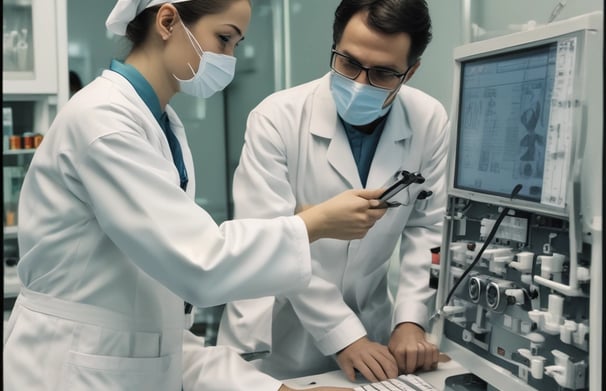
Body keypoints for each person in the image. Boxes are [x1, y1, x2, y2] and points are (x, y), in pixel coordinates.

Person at [2, 1, 387, 390]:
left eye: (236, 44)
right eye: (224, 39)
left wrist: (278, 389)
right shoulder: (104, 123)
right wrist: (312, 225)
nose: (230, 59)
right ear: (167, 21)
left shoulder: (160, 123)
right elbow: (202, 264)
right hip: (64, 370)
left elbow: (167, 327)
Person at [217, 0, 449, 383]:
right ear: (335, 45)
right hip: (276, 339)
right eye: (348, 63)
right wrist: (343, 336)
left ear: (411, 72)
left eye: (383, 73)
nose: (360, 84)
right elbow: (272, 241)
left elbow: (427, 229)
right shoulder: (276, 119)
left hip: (372, 336)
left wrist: (410, 320)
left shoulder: (429, 120)